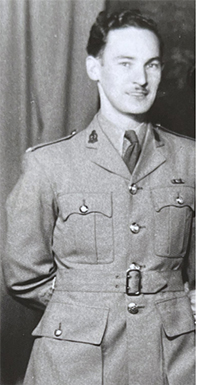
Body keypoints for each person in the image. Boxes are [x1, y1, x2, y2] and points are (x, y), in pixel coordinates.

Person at [3, 9, 195, 385]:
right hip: (74, 362)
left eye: (151, 65)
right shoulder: (49, 163)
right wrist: (86, 303)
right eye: (125, 63)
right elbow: (24, 274)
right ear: (94, 67)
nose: (141, 79)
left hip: (174, 360)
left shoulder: (191, 160)